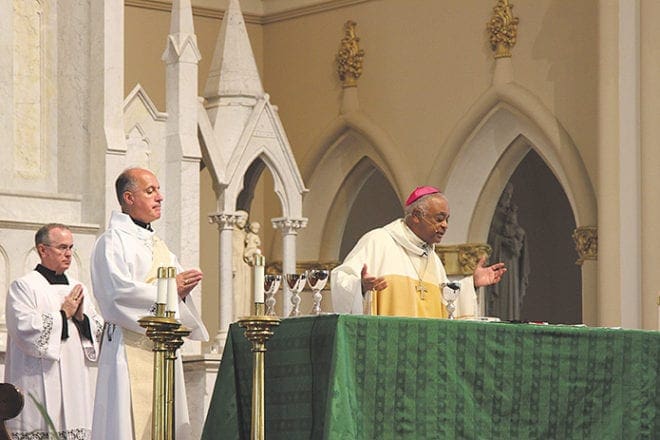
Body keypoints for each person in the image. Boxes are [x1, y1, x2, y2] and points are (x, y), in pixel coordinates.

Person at [90, 167, 209, 440]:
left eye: (158, 190)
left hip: (163, 351)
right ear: (129, 198)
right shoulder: (111, 242)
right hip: (127, 350)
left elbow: (174, 299)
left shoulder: (160, 246)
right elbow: (116, 296)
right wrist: (170, 289)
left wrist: (180, 292)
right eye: (150, 191)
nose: (160, 197)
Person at [331, 186, 506, 318]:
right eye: (439, 219)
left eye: (447, 220)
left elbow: (446, 305)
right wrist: (360, 286)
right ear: (416, 215)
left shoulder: (432, 259)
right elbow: (341, 278)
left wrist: (471, 284)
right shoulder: (378, 241)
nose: (445, 225)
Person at [5, 223, 103, 439]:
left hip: (74, 378)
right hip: (37, 378)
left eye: (71, 248)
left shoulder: (78, 287)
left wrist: (81, 318)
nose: (68, 254)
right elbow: (24, 329)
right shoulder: (24, 287)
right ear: (42, 250)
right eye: (62, 248)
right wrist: (63, 315)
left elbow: (97, 330)